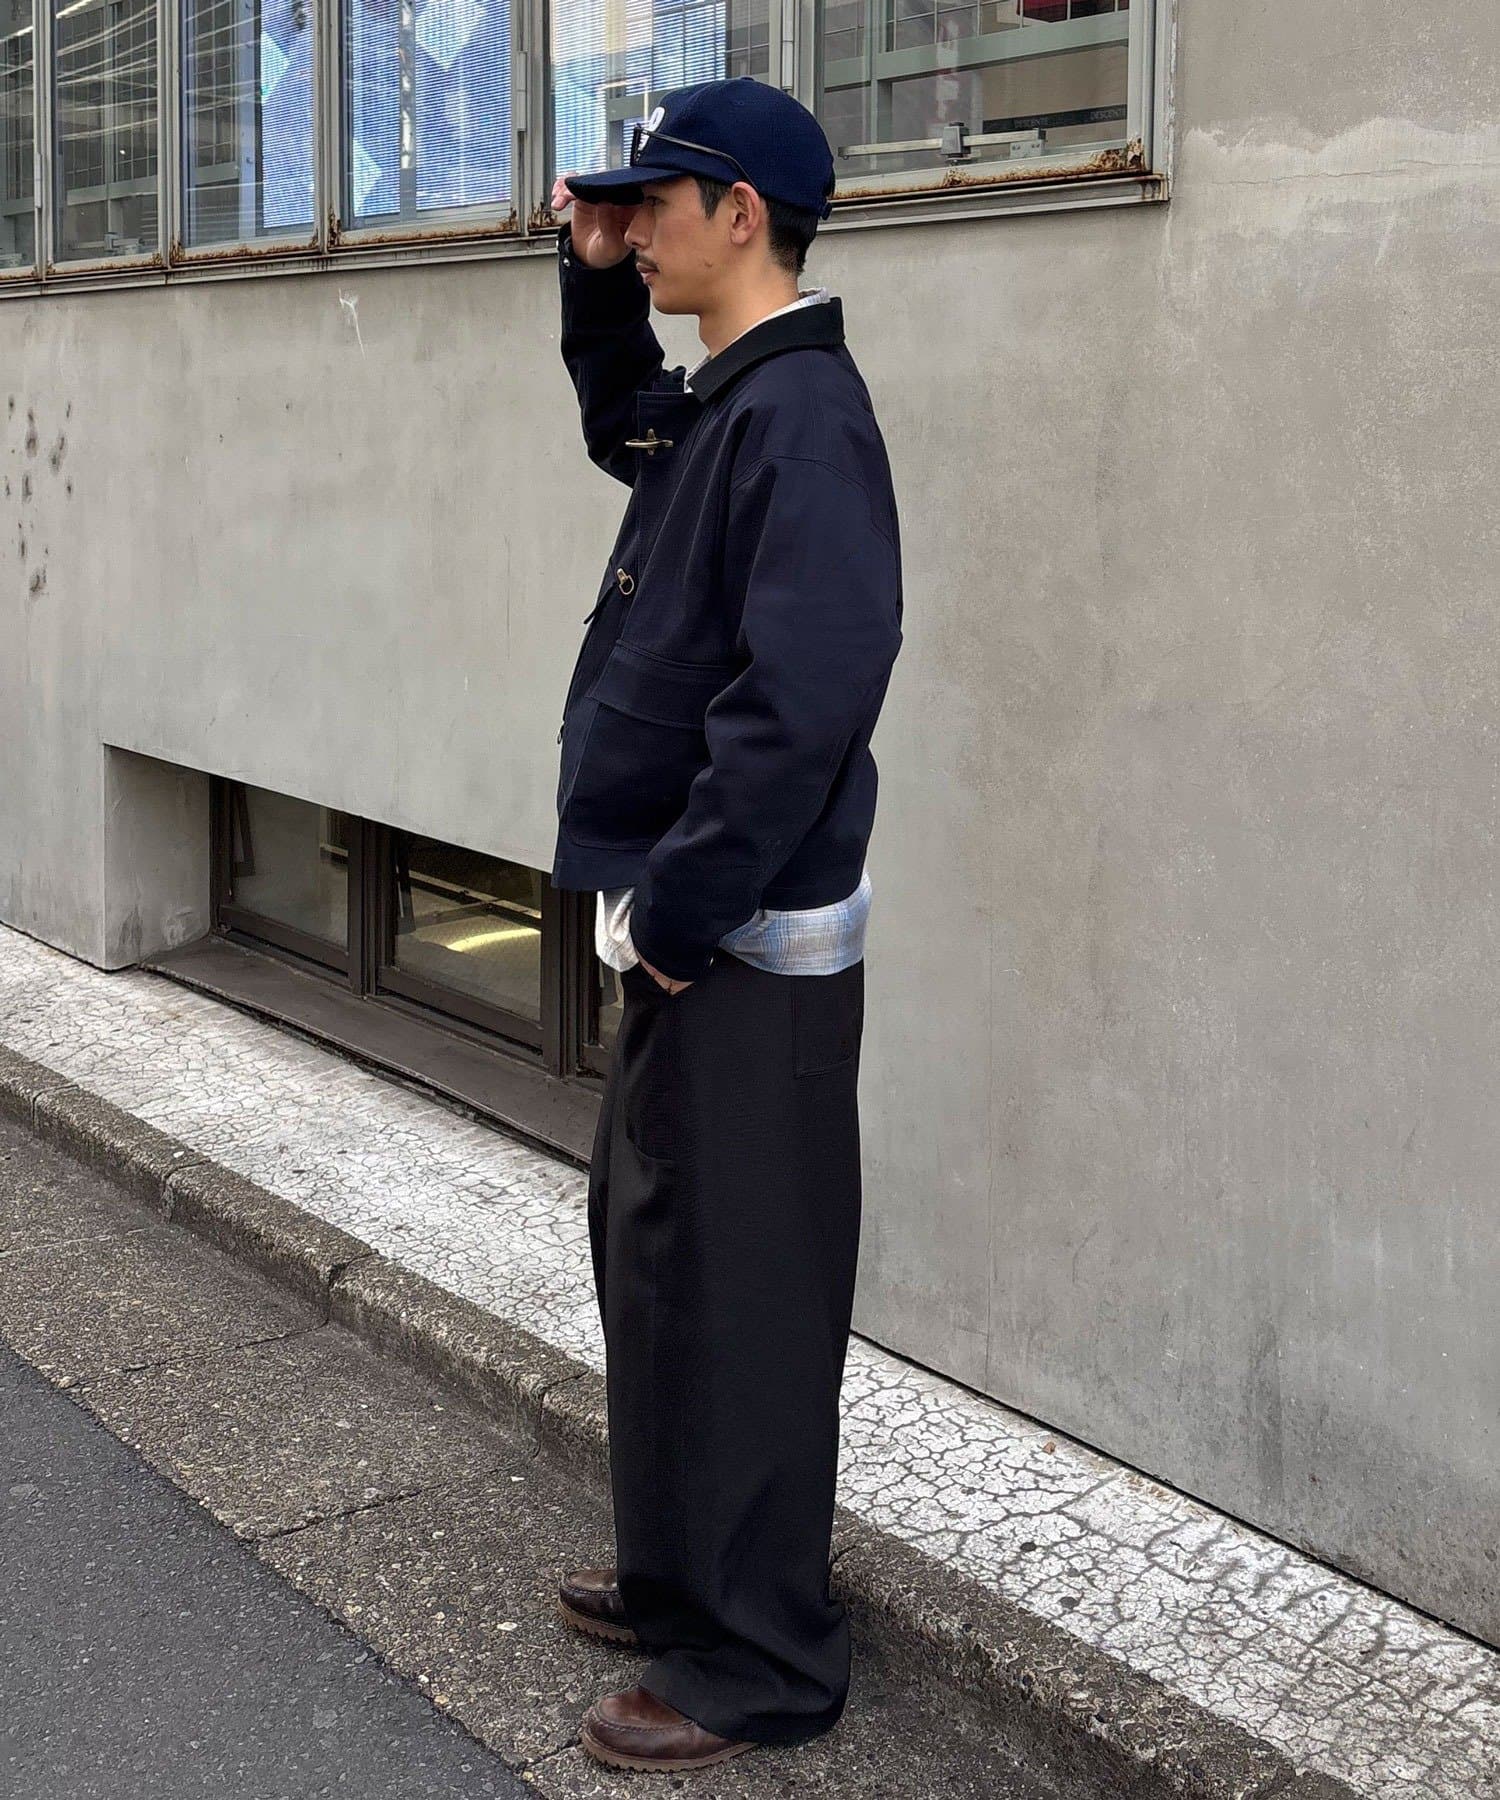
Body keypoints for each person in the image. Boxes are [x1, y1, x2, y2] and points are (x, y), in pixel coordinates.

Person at [546, 76, 904, 1773]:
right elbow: (623, 421)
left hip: (740, 941)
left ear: (741, 213)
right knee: (662, 1263)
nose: (637, 228)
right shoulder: (733, 394)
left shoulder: (805, 417)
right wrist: (590, 279)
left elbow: (805, 701)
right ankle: (682, 1577)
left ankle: (761, 1660)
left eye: (657, 204)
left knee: (744, 1296)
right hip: (698, 929)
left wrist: (679, 913)